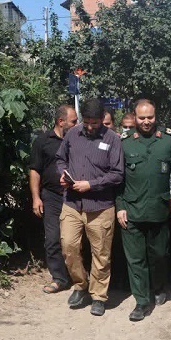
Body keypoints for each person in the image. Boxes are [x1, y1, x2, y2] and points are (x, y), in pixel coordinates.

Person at [117, 100, 171, 321]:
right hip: (132, 211)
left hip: (159, 211)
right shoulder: (125, 144)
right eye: (141, 118)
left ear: (156, 116)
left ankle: (158, 287)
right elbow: (118, 181)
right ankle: (141, 301)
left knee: (159, 256)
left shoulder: (168, 142)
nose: (146, 122)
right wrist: (120, 207)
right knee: (135, 259)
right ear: (135, 119)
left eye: (150, 117)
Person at [56, 99, 124, 316]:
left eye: (95, 123)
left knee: (101, 254)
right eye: (87, 122)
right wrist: (63, 174)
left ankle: (98, 296)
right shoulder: (72, 134)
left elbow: (117, 174)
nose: (91, 127)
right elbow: (60, 159)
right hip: (72, 204)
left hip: (101, 206)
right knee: (68, 247)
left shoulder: (112, 139)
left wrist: (91, 184)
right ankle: (80, 284)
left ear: (102, 119)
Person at [29, 105, 78, 294]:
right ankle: (59, 278)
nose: (77, 124)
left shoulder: (77, 141)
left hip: (74, 196)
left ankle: (81, 276)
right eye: (73, 121)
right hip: (51, 197)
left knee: (74, 240)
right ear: (61, 122)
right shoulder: (43, 141)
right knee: (52, 239)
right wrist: (36, 198)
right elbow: (34, 170)